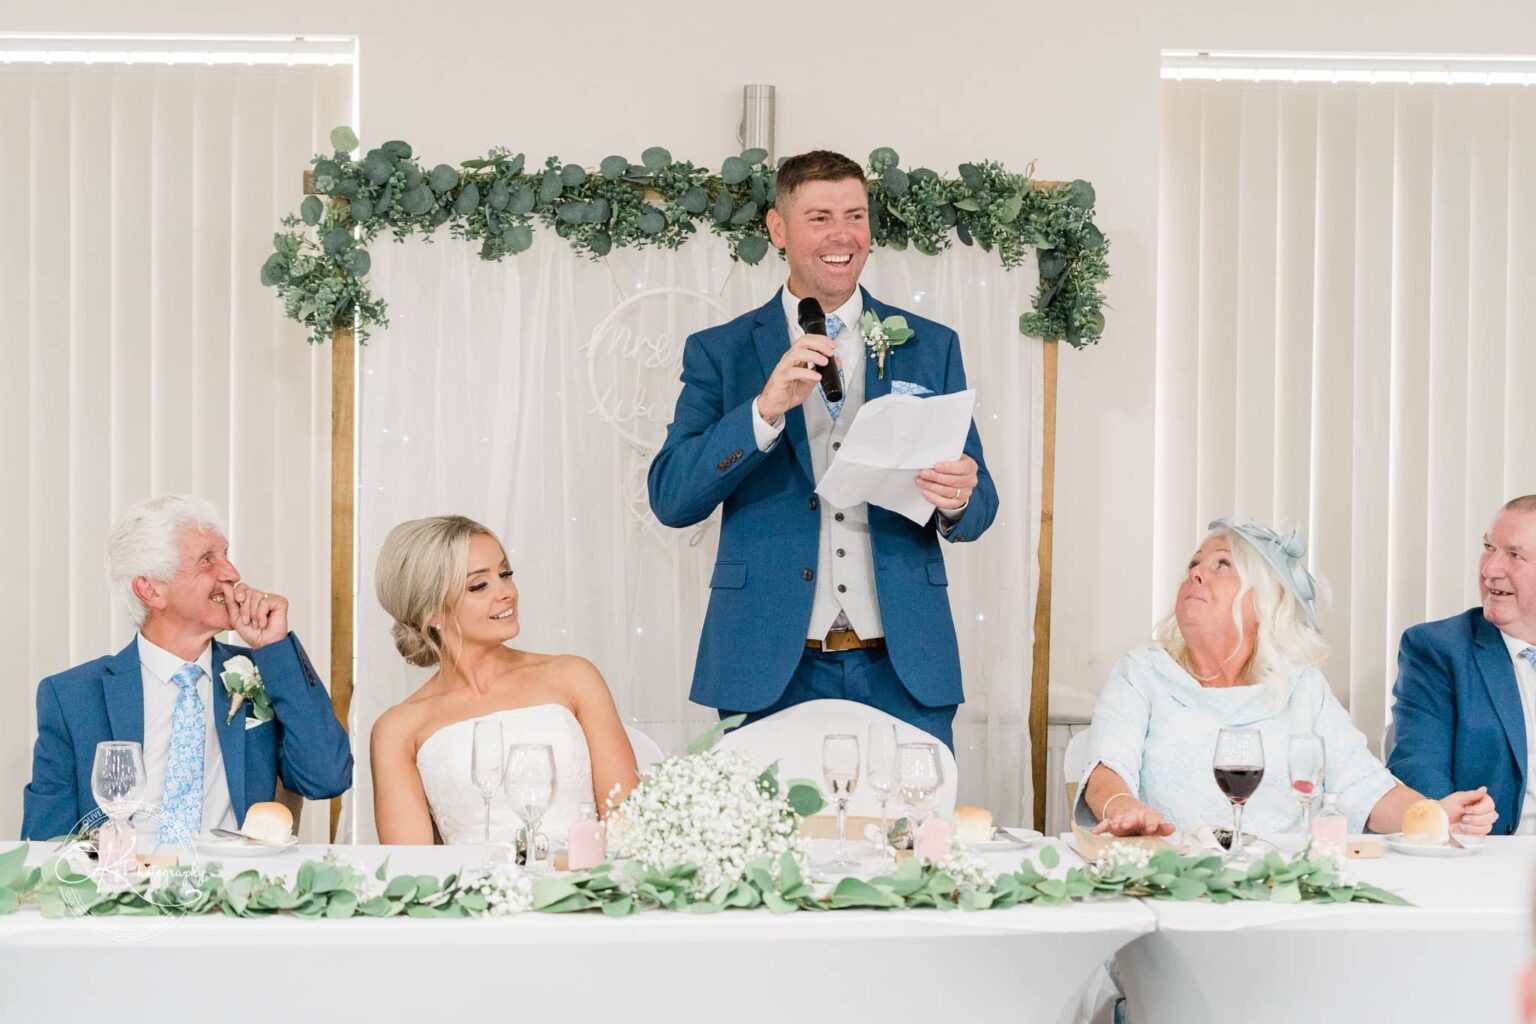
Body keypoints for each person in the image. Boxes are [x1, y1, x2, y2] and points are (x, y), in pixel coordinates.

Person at [646, 149, 998, 749]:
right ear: (778, 229)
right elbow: (672, 497)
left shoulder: (931, 345)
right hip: (766, 666)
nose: (843, 236)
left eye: (855, 215)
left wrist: (959, 497)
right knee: (763, 842)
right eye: (820, 218)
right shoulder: (720, 351)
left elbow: (980, 504)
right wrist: (762, 412)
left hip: (903, 666)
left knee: (910, 838)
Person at [1081, 516, 1498, 839]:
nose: (1196, 573)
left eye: (1222, 564)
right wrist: (1123, 809)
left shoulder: (1302, 686)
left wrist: (1437, 816)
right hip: (1172, 881)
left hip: (1285, 888)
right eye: (1194, 564)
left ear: (1267, 600)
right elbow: (1106, 767)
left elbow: (1365, 788)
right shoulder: (1142, 672)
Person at [20, 495, 353, 841]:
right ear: (150, 590)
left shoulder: (268, 671)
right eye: (207, 559)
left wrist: (275, 649)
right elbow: (46, 845)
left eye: (226, 553)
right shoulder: (71, 696)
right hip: (123, 887)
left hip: (233, 887)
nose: (231, 573)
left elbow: (327, 777)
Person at [370, 515, 638, 845]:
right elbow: (411, 870)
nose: (506, 592)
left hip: (588, 887)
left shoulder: (574, 677)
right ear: (432, 613)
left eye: (505, 574)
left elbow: (628, 825)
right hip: (470, 892)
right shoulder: (397, 728)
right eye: (479, 585)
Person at [1388, 495, 1536, 835]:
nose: (1490, 570)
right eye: (1488, 547)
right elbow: (1417, 768)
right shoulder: (1438, 649)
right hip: (1486, 861)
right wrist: (1445, 826)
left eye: (1514, 555)